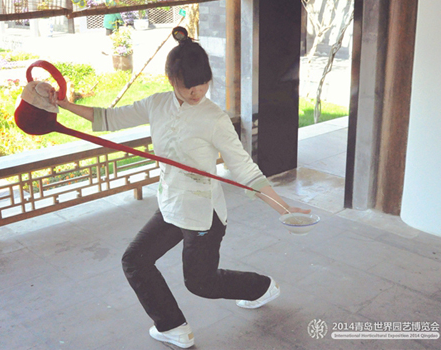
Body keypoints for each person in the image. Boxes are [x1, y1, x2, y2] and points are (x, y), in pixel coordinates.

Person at [50, 26, 310, 349]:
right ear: (171, 80)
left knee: (200, 283)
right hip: (172, 206)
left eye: (202, 83)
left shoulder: (214, 118)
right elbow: (108, 118)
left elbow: (244, 168)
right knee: (135, 260)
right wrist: (63, 104)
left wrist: (285, 208)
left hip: (204, 216)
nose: (196, 92)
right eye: (188, 86)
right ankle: (173, 327)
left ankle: (260, 287)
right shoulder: (156, 105)